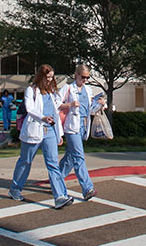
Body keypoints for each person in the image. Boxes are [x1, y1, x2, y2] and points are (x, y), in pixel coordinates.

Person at [8, 64, 74, 210]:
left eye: (51, 77)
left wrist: (59, 134)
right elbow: (30, 108)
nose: (50, 80)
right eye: (48, 77)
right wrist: (42, 117)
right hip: (34, 130)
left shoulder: (51, 92)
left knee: (53, 164)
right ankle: (15, 189)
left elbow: (56, 111)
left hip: (49, 131)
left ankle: (60, 196)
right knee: (25, 161)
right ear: (41, 76)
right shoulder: (31, 90)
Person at [58, 64, 106, 200]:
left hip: (83, 126)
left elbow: (90, 110)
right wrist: (70, 105)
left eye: (87, 77)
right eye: (83, 77)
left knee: (70, 157)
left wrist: (100, 104)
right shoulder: (67, 88)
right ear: (76, 75)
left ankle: (57, 180)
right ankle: (87, 188)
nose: (85, 80)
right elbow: (56, 103)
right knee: (79, 156)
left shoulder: (88, 90)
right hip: (71, 127)